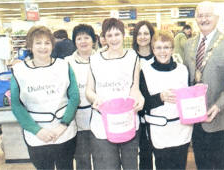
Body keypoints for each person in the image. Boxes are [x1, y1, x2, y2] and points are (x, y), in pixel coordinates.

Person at [183, 1, 224, 169]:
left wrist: (218, 106)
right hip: (195, 117)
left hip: (219, 116)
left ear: (217, 18)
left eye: (208, 15)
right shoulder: (188, 44)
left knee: (219, 164)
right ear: (195, 18)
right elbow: (188, 79)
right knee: (201, 163)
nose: (204, 19)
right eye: (200, 16)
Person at [10, 26, 79, 170]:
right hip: (36, 134)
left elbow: (74, 97)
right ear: (30, 45)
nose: (43, 47)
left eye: (47, 43)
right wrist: (36, 130)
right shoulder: (19, 71)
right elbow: (16, 105)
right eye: (38, 43)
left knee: (66, 166)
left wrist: (63, 125)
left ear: (52, 45)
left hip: (64, 131)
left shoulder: (64, 66)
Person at [85, 18, 144, 170]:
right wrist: (95, 98)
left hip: (127, 121)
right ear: (103, 38)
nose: (113, 39)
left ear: (123, 35)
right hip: (102, 123)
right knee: (107, 166)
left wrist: (139, 99)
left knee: (131, 165)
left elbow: (134, 87)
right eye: (109, 35)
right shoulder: (95, 60)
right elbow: (89, 90)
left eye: (117, 34)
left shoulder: (133, 57)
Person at [140, 30, 192, 170]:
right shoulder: (145, 71)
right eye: (158, 47)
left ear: (172, 49)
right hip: (159, 131)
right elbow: (142, 104)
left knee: (180, 166)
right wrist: (160, 97)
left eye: (166, 47)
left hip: (182, 129)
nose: (162, 51)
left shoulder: (183, 70)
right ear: (152, 49)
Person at [65, 24, 96, 170]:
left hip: (100, 118)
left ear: (93, 40)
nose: (83, 41)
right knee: (82, 158)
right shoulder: (67, 63)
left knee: (102, 157)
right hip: (78, 119)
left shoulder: (102, 59)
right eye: (79, 38)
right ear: (74, 41)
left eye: (86, 37)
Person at [132, 20, 155, 170]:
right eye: (139, 33)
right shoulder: (130, 57)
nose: (143, 37)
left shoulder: (159, 55)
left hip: (156, 109)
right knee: (143, 151)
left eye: (146, 33)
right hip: (136, 113)